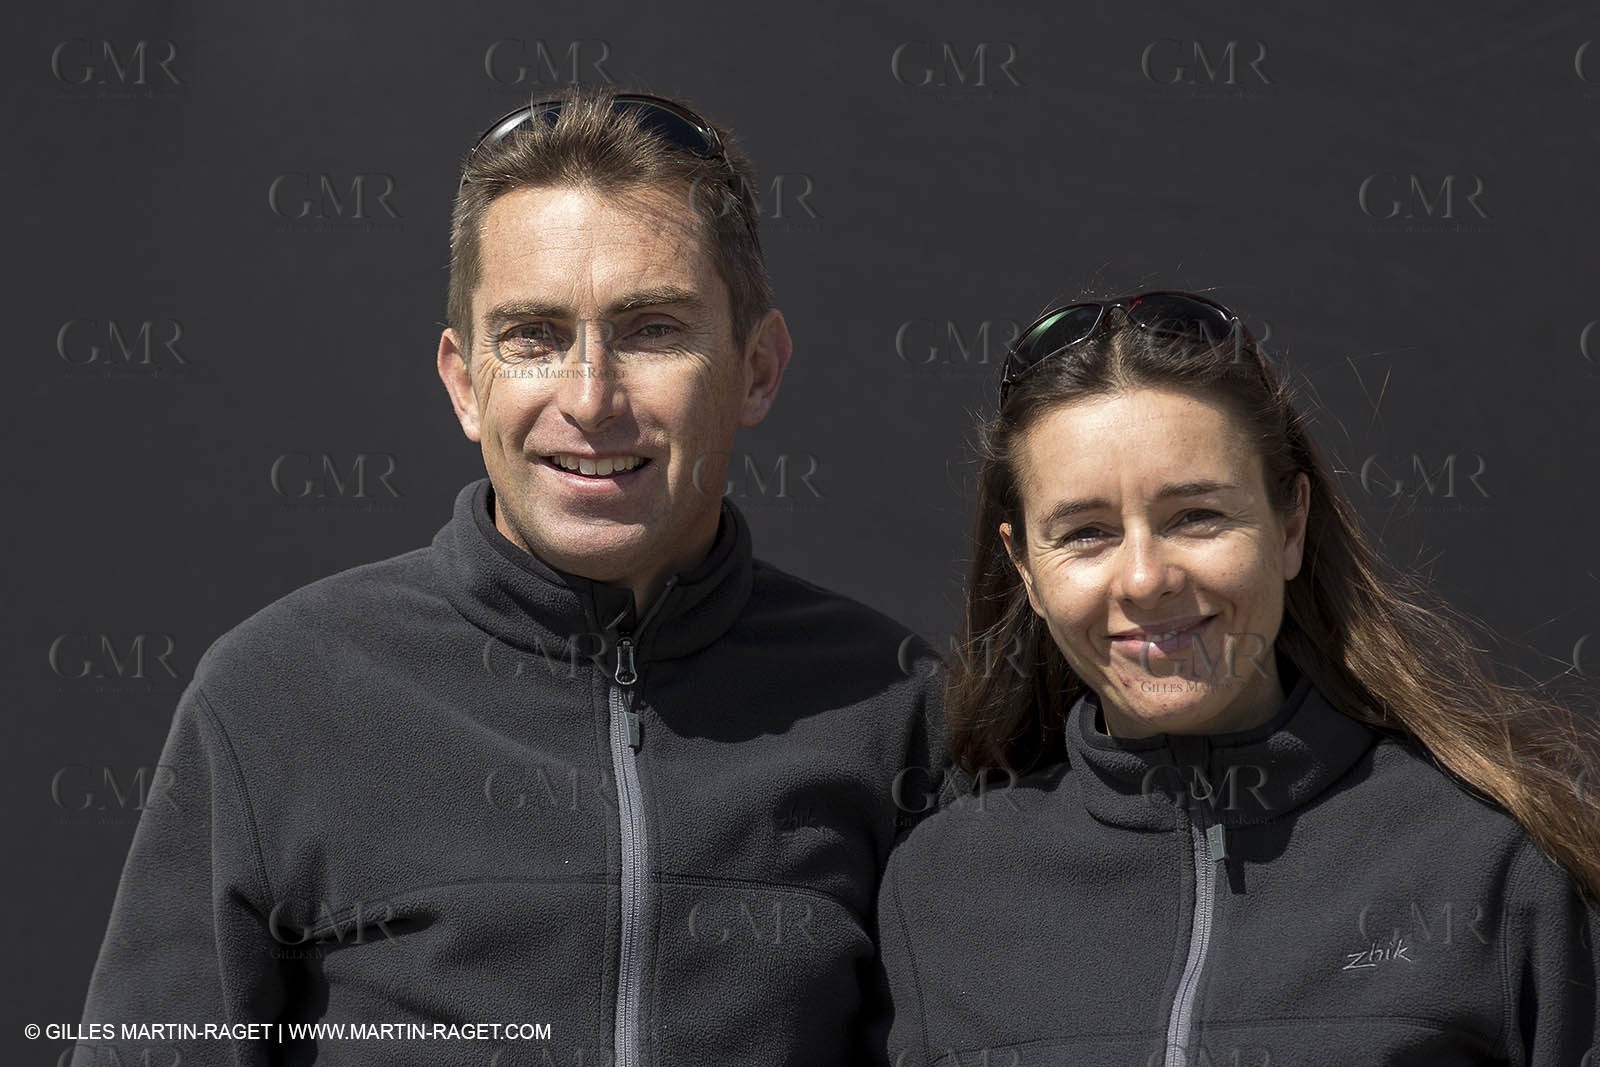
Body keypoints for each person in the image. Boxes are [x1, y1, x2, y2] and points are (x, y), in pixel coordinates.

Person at [78, 88, 945, 1067]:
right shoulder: (277, 692)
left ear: (756, 366)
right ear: (462, 380)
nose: (589, 397)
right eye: (533, 335)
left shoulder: (891, 703)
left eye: (651, 327)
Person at [873, 290, 1600, 1066]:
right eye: (1087, 533)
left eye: (1196, 516)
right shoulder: (943, 888)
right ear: (1026, 569)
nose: (1147, 577)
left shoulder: (1493, 861)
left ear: (1290, 525)